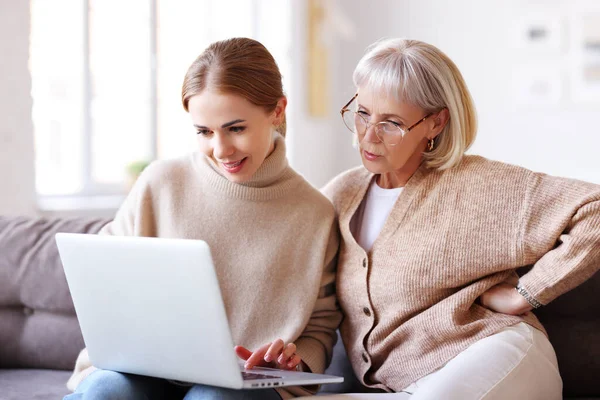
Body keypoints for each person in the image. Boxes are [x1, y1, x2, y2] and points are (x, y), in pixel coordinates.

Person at [321, 38, 600, 399]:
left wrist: (525, 295)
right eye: (361, 113)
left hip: (493, 357)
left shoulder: (478, 184)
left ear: (436, 123)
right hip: (406, 387)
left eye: (391, 123)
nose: (368, 136)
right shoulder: (339, 195)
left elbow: (593, 209)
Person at [64, 37, 341, 400]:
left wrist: (294, 362)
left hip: (243, 385)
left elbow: (320, 327)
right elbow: (101, 280)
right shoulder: (160, 183)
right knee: (106, 391)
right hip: (143, 369)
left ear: (277, 110)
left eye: (236, 128)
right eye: (204, 132)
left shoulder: (314, 214)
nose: (221, 150)